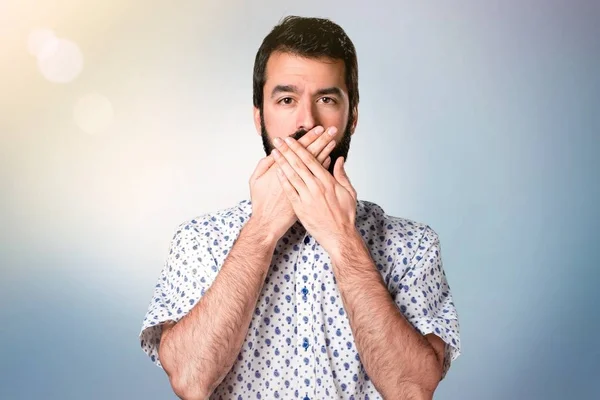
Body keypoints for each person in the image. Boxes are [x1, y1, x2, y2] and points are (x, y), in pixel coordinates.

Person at [139, 15, 461, 400]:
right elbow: (190, 380)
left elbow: (411, 389)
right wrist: (261, 231)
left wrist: (342, 240)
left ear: (352, 117)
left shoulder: (412, 245)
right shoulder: (199, 241)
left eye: (326, 99)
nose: (306, 121)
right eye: (286, 99)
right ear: (259, 115)